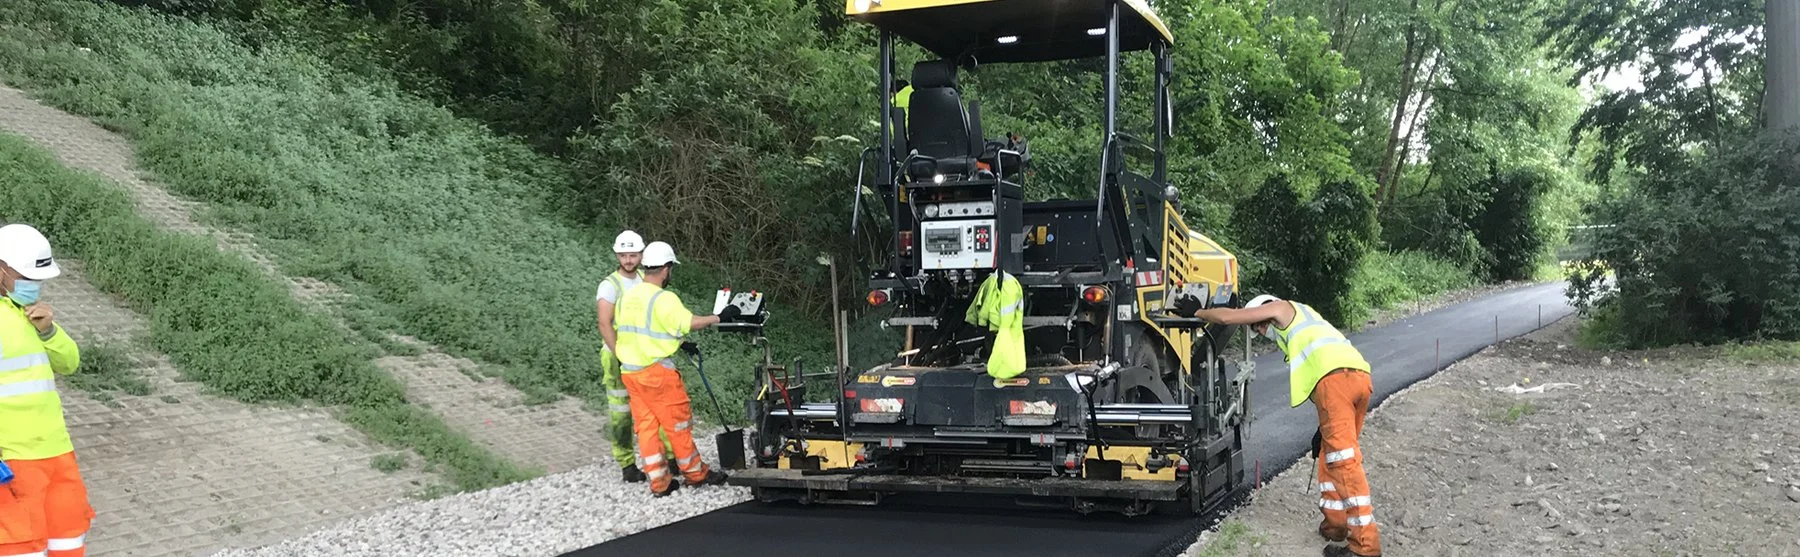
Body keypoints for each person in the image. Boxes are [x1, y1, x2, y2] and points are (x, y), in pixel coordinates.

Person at [1176, 294, 1381, 557]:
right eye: (1257, 329)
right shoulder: (1305, 319)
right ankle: (1335, 525)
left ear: (1266, 307)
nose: (1261, 330)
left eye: (1260, 323)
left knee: (1344, 462)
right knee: (1332, 455)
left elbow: (1228, 317)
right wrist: (1323, 426)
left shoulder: (1282, 308)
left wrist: (1200, 312)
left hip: (1336, 382)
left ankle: (1366, 547)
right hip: (1357, 379)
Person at [612, 241, 742, 497]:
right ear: (666, 268)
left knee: (647, 427)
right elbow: (688, 322)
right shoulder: (664, 298)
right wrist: (719, 317)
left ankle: (659, 483)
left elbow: (644, 331)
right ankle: (696, 474)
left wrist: (679, 344)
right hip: (657, 373)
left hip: (630, 372)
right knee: (677, 424)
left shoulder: (628, 297)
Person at [0, 223, 94, 557]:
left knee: (68, 543)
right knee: (21, 549)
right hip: (13, 462)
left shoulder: (29, 316)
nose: (34, 286)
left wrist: (49, 331)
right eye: (27, 278)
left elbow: (70, 363)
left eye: (38, 280)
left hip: (57, 454)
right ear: (2, 271)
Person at [595, 230, 672, 483]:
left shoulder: (644, 279)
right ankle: (627, 464)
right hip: (618, 357)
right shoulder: (610, 285)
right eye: (624, 255)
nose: (628, 259)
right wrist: (620, 354)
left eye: (633, 254)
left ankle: (669, 459)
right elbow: (605, 323)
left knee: (656, 408)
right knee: (621, 414)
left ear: (642, 255)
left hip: (644, 355)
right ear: (617, 255)